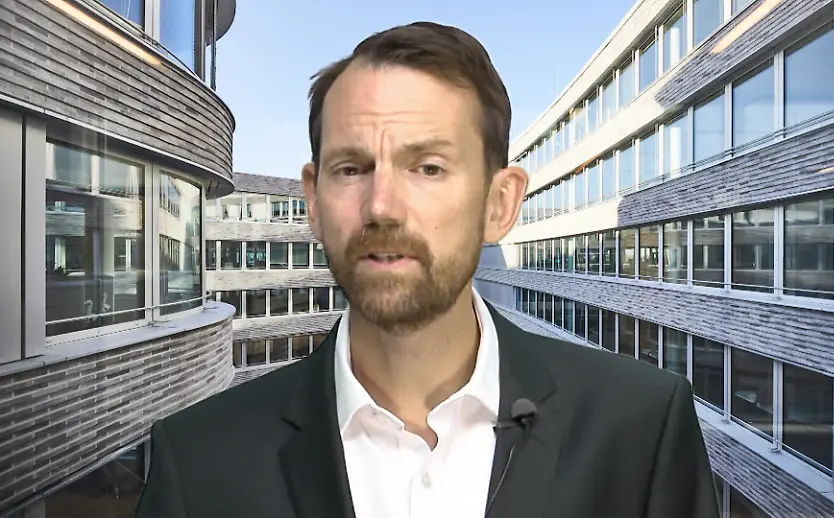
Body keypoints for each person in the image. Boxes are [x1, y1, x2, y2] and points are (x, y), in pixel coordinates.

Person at [135, 21, 720, 518]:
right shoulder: (199, 463)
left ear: (499, 204)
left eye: (429, 168)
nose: (382, 206)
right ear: (313, 201)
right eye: (351, 169)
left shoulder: (640, 428)